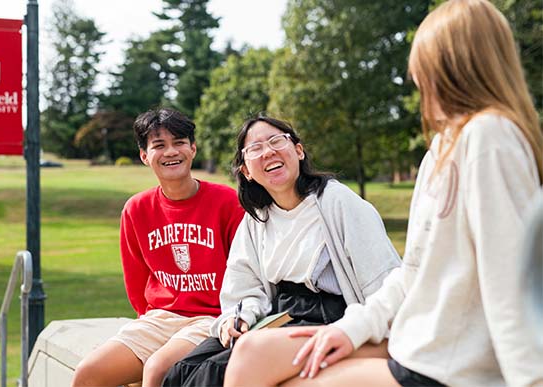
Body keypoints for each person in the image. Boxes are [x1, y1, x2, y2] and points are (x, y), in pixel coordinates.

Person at [223, 1, 543, 386]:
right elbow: (412, 273)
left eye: (423, 64)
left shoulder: (490, 138)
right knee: (250, 354)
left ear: (453, 66)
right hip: (415, 341)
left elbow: (512, 284)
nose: (416, 78)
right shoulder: (443, 148)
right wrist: (349, 331)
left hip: (444, 365)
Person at [162, 115, 401, 387]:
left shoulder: (338, 203)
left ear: (298, 151)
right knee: (183, 371)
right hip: (277, 315)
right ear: (246, 171)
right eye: (255, 148)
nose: (268, 152)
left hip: (329, 316)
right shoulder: (256, 219)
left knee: (216, 374)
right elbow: (244, 285)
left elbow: (383, 280)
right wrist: (237, 319)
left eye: (276, 141)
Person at [71, 108, 244, 387]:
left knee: (156, 371)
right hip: (160, 318)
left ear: (193, 148)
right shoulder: (136, 209)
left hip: (212, 317)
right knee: (87, 373)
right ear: (144, 156)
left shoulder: (227, 202)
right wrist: (150, 318)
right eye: (159, 145)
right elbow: (136, 280)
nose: (171, 152)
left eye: (179, 143)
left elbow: (246, 271)